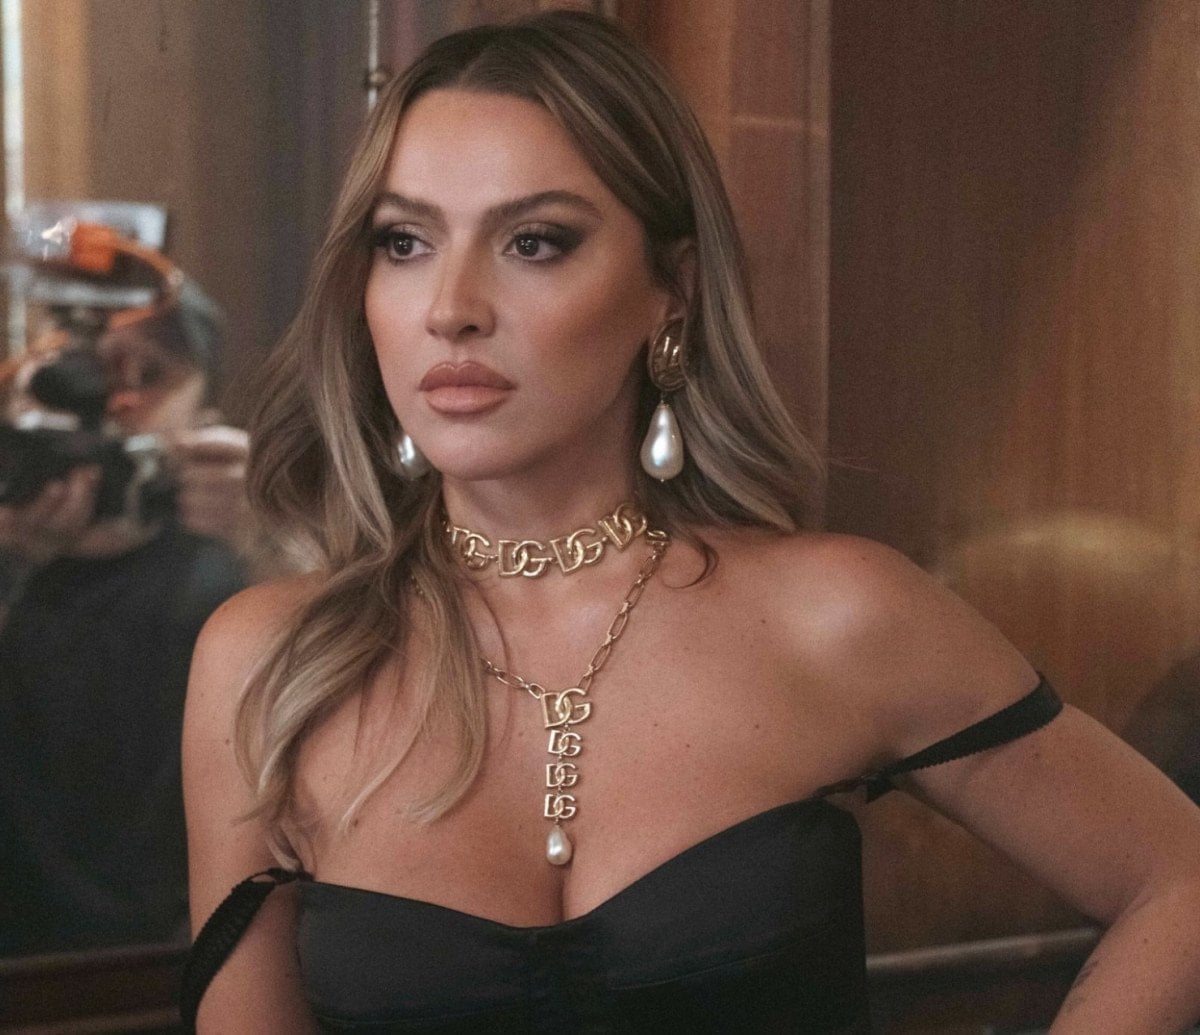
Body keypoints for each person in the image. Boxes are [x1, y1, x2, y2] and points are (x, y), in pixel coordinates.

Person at [182, 11, 1200, 1031]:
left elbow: (1180, 881)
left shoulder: (838, 616)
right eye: (404, 242)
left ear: (671, 290)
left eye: (534, 241)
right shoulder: (272, 664)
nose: (452, 307)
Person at [0, 279, 248, 954]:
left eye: (149, 375)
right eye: (85, 367)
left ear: (205, 419)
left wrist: (273, 539)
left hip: (151, 965)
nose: (116, 399)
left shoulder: (227, 583)